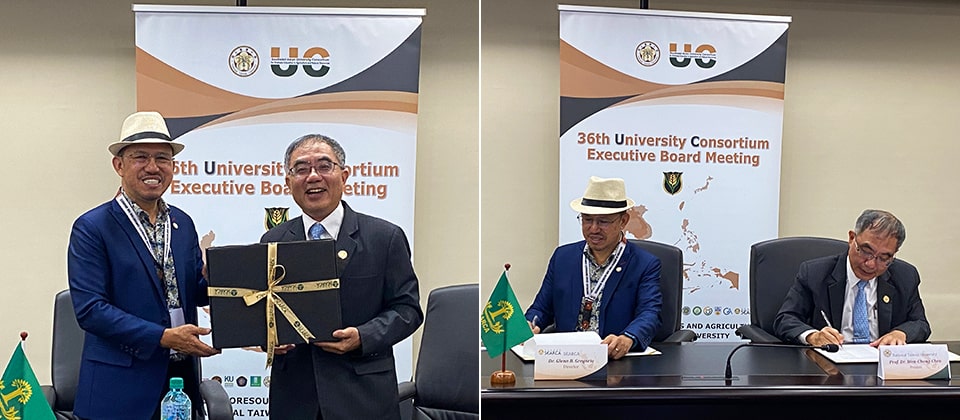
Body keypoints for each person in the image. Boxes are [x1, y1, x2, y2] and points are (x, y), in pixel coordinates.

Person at [67, 111, 219, 419]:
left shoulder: (182, 223)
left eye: (163, 158)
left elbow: (193, 293)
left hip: (180, 381)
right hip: (118, 390)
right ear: (119, 165)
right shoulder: (92, 227)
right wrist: (162, 337)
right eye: (140, 157)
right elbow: (91, 310)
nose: (153, 167)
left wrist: (218, 278)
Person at [262, 134, 423, 420]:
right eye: (301, 169)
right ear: (288, 182)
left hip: (363, 397)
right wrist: (269, 337)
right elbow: (264, 313)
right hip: (295, 399)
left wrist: (363, 336)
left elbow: (407, 310)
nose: (313, 177)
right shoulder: (272, 241)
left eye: (324, 166)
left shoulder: (385, 238)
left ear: (344, 175)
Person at [525, 176, 662, 360]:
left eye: (603, 222)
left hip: (613, 361)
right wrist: (531, 323)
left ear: (623, 221)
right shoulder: (563, 257)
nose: (594, 229)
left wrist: (628, 338)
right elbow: (541, 309)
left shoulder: (644, 264)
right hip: (564, 360)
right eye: (587, 220)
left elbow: (649, 313)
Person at [774, 209, 931, 347]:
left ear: (894, 254)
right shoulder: (815, 273)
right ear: (851, 238)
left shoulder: (905, 276)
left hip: (882, 367)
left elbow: (920, 324)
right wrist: (813, 336)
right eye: (865, 251)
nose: (871, 264)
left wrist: (901, 333)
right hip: (829, 368)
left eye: (883, 258)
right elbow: (786, 318)